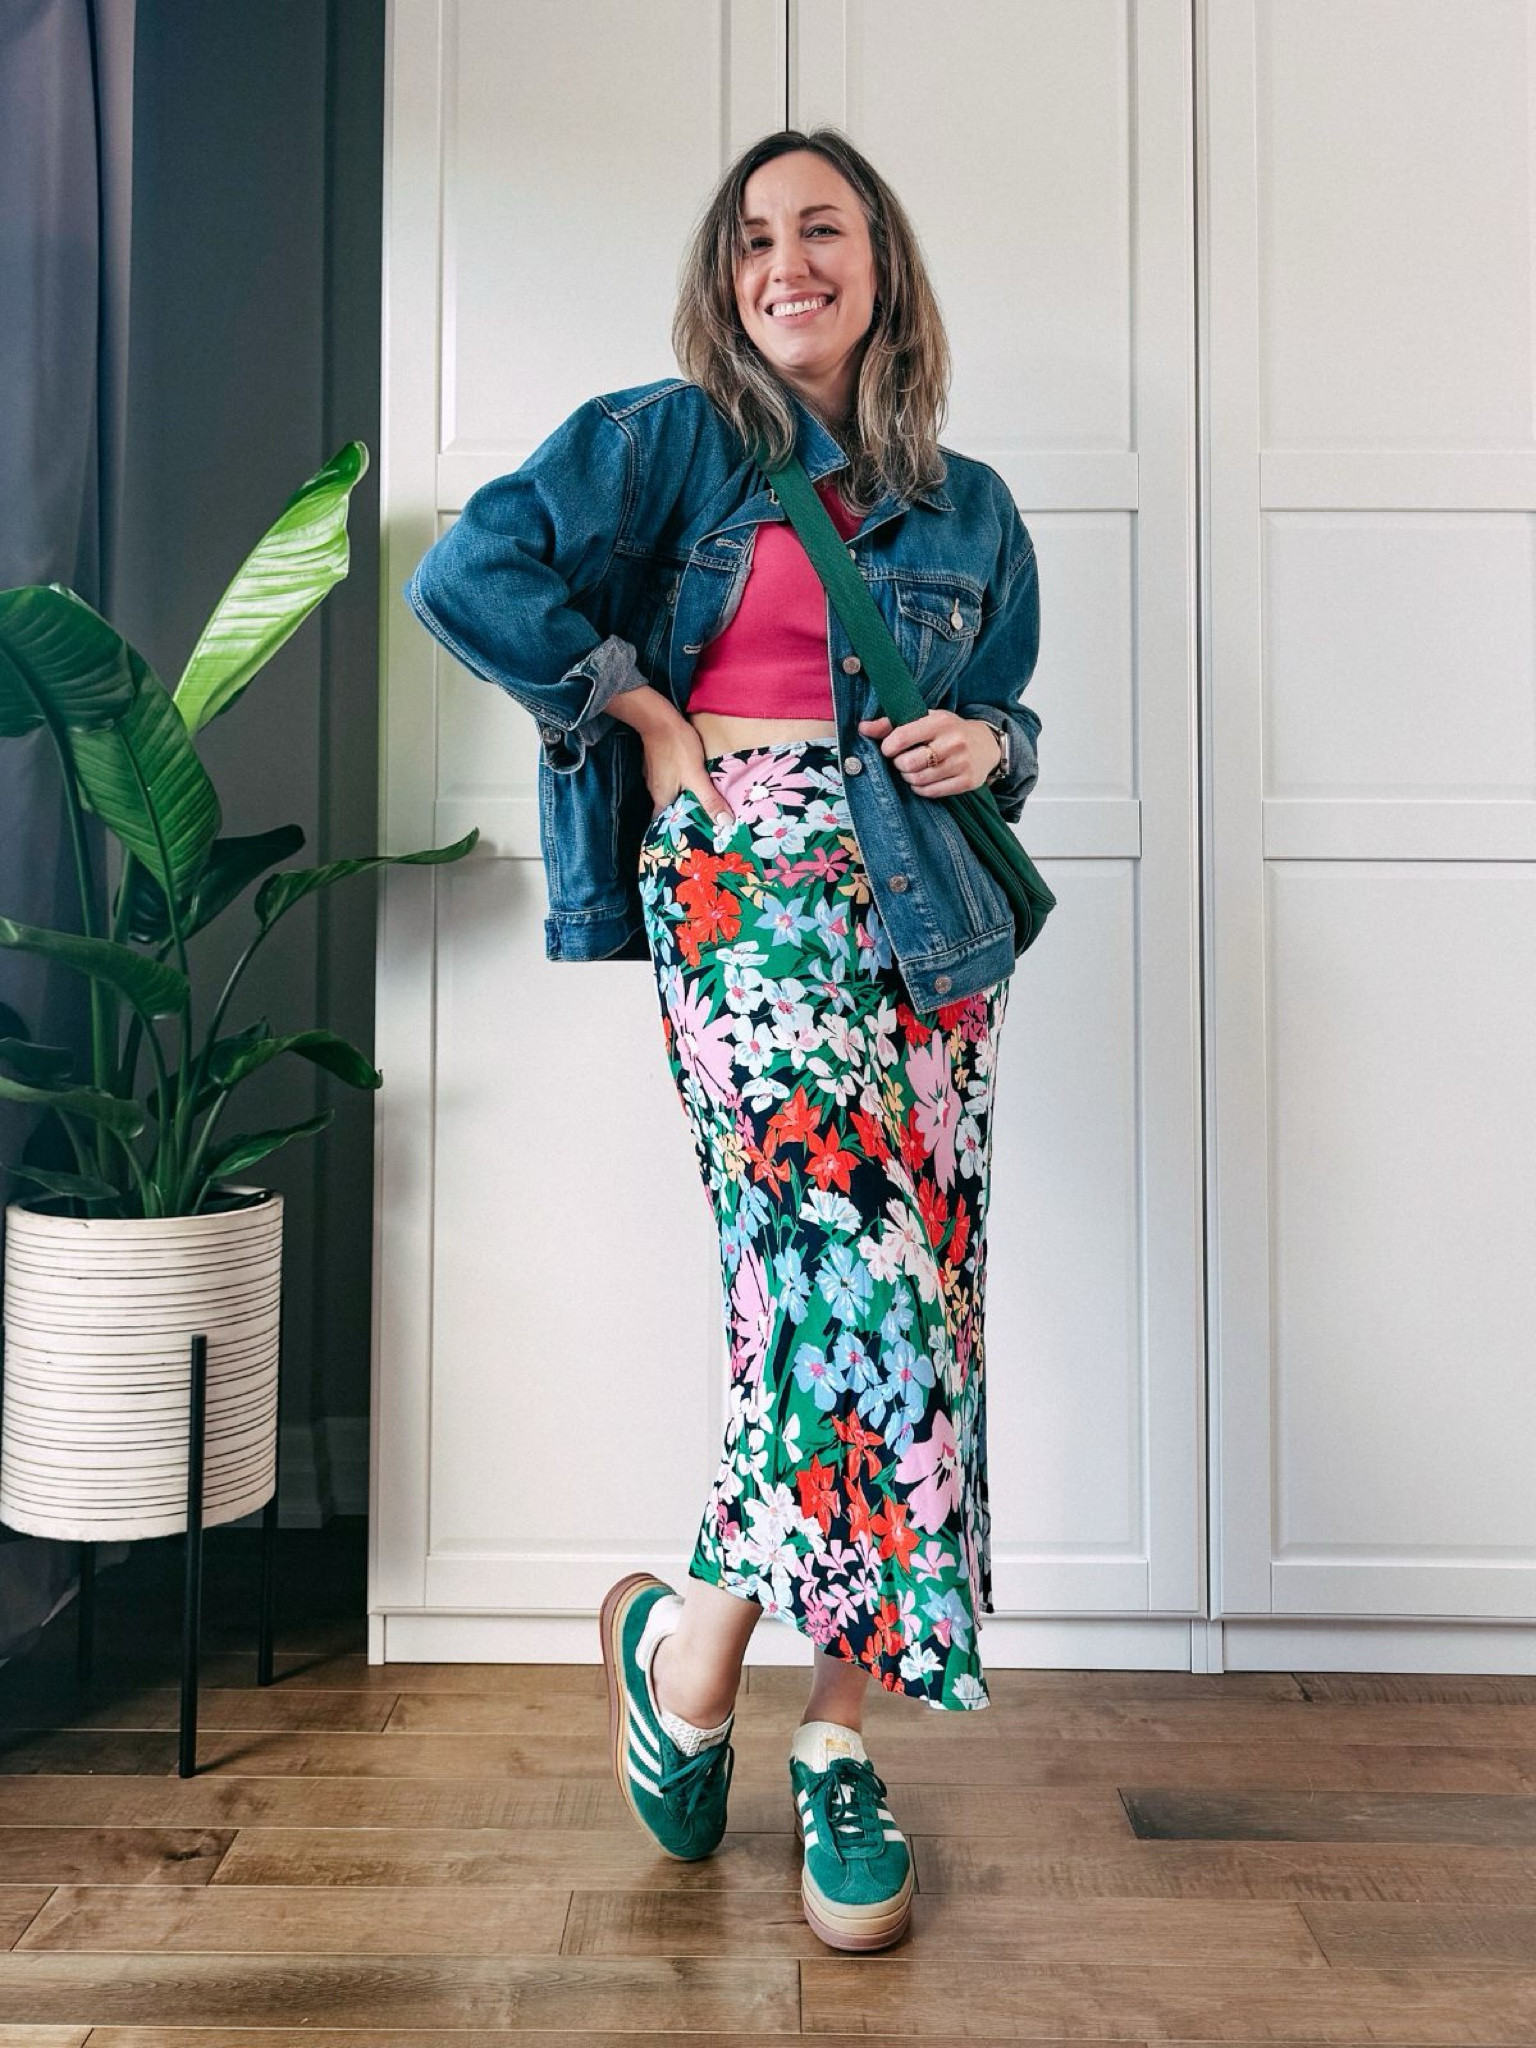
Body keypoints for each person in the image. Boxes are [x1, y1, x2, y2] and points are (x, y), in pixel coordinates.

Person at [404, 126, 1042, 1954]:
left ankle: (809, 1725)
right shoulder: (667, 441)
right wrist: (644, 712)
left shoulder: (975, 503)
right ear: (727, 274)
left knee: (897, 1298)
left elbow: (1008, 713)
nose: (788, 263)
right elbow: (475, 572)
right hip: (738, 888)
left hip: (928, 920)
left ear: (881, 261)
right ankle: (700, 1663)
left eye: (822, 228)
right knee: (855, 1285)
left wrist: (987, 749)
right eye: (755, 237)